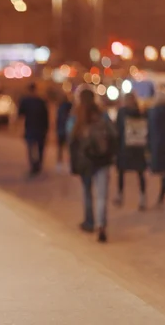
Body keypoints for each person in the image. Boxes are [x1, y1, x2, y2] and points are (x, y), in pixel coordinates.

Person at [68, 89, 117, 243]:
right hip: (102, 160)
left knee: (87, 192)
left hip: (85, 161)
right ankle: (101, 225)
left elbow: (70, 139)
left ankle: (89, 222)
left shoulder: (76, 116)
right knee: (101, 195)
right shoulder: (102, 115)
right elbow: (114, 134)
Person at [113, 93, 148, 210]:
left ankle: (141, 197)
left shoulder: (136, 113)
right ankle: (121, 194)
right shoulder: (135, 112)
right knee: (125, 172)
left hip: (132, 147)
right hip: (129, 147)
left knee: (137, 172)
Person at [18, 83, 49, 177]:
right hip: (40, 128)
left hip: (30, 128)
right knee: (40, 148)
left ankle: (34, 165)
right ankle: (38, 164)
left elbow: (20, 114)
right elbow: (46, 116)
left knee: (31, 147)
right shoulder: (41, 101)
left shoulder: (25, 101)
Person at [56, 94, 73, 169]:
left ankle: (59, 163)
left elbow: (58, 120)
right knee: (68, 148)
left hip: (61, 130)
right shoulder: (70, 107)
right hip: (68, 130)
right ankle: (69, 163)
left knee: (60, 148)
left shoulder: (60, 107)